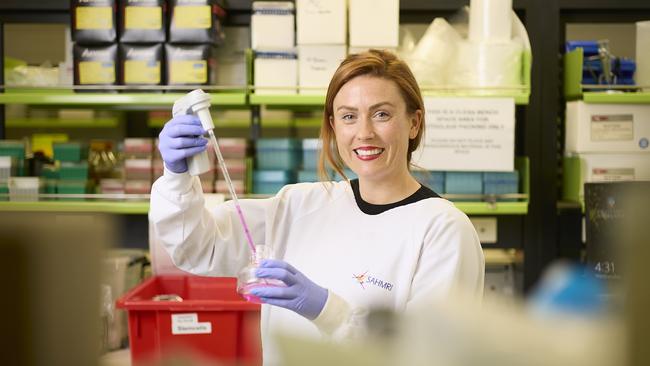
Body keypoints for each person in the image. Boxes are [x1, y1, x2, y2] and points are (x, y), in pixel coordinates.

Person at [150, 49, 484, 364]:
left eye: (381, 114)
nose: (364, 132)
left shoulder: (442, 229)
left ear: (413, 123)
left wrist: (329, 311)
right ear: (334, 126)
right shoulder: (299, 205)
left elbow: (429, 356)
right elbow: (196, 247)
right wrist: (176, 175)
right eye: (348, 116)